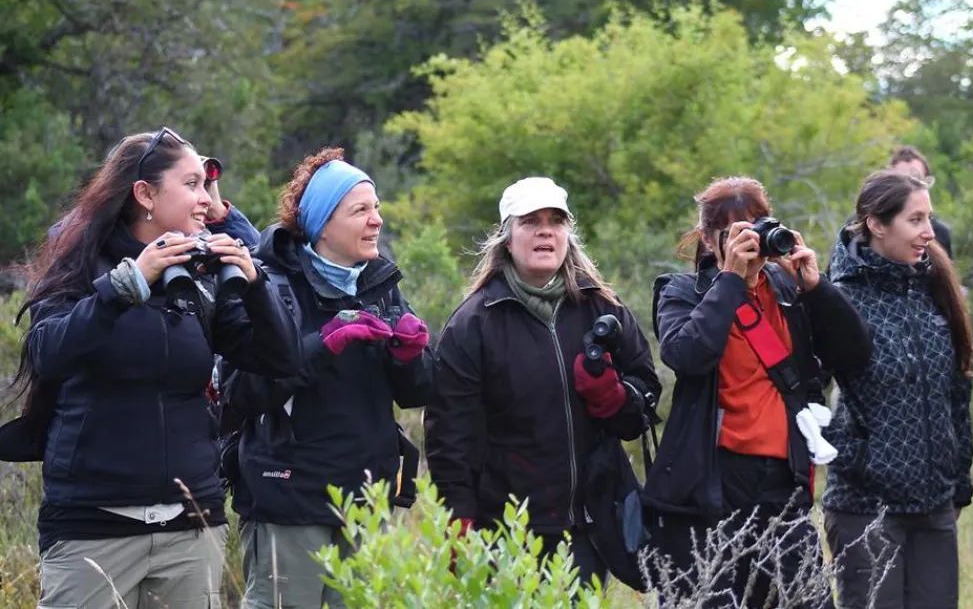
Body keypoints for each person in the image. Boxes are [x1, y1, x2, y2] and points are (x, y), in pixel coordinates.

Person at [2, 127, 302, 608]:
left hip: (191, 525)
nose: (207, 199)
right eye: (192, 185)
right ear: (145, 193)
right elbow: (47, 352)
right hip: (92, 525)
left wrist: (255, 284)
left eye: (206, 184)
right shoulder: (80, 265)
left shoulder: (203, 274)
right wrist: (126, 285)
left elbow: (281, 361)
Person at [643, 177, 870, 607]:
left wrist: (816, 288)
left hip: (783, 485)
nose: (748, 241)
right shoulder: (682, 292)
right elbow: (687, 354)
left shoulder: (786, 289)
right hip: (714, 491)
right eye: (734, 233)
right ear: (709, 239)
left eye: (756, 227)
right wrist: (730, 279)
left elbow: (854, 352)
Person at [424, 176, 661, 585]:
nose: (545, 230)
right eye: (530, 221)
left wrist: (615, 397)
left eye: (556, 220)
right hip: (508, 533)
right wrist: (458, 520)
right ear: (506, 238)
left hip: (590, 529)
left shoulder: (602, 307)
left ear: (568, 234)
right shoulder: (473, 323)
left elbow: (644, 395)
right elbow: (450, 436)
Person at [225, 148, 434, 609]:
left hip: (367, 500)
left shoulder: (380, 284)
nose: (376, 220)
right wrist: (324, 343)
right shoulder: (268, 285)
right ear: (321, 224)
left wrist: (410, 356)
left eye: (376, 207)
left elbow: (418, 391)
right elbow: (239, 394)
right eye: (360, 210)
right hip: (288, 499)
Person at [823, 171, 973, 608]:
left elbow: (956, 394)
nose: (929, 232)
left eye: (929, 218)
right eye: (915, 219)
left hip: (934, 506)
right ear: (876, 223)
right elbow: (804, 395)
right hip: (865, 508)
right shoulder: (838, 298)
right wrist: (855, 456)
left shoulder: (934, 290)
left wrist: (958, 481)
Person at [886, 145, 952, 257]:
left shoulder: (940, 233)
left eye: (916, 180)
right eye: (900, 180)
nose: (909, 187)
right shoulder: (863, 227)